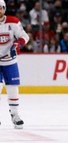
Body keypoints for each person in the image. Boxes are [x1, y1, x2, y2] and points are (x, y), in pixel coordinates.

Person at [0, 0, 29, 129]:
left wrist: (18, 44)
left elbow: (25, 36)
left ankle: (15, 115)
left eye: (0, 8)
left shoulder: (13, 21)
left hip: (10, 62)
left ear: (4, 9)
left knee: (13, 89)